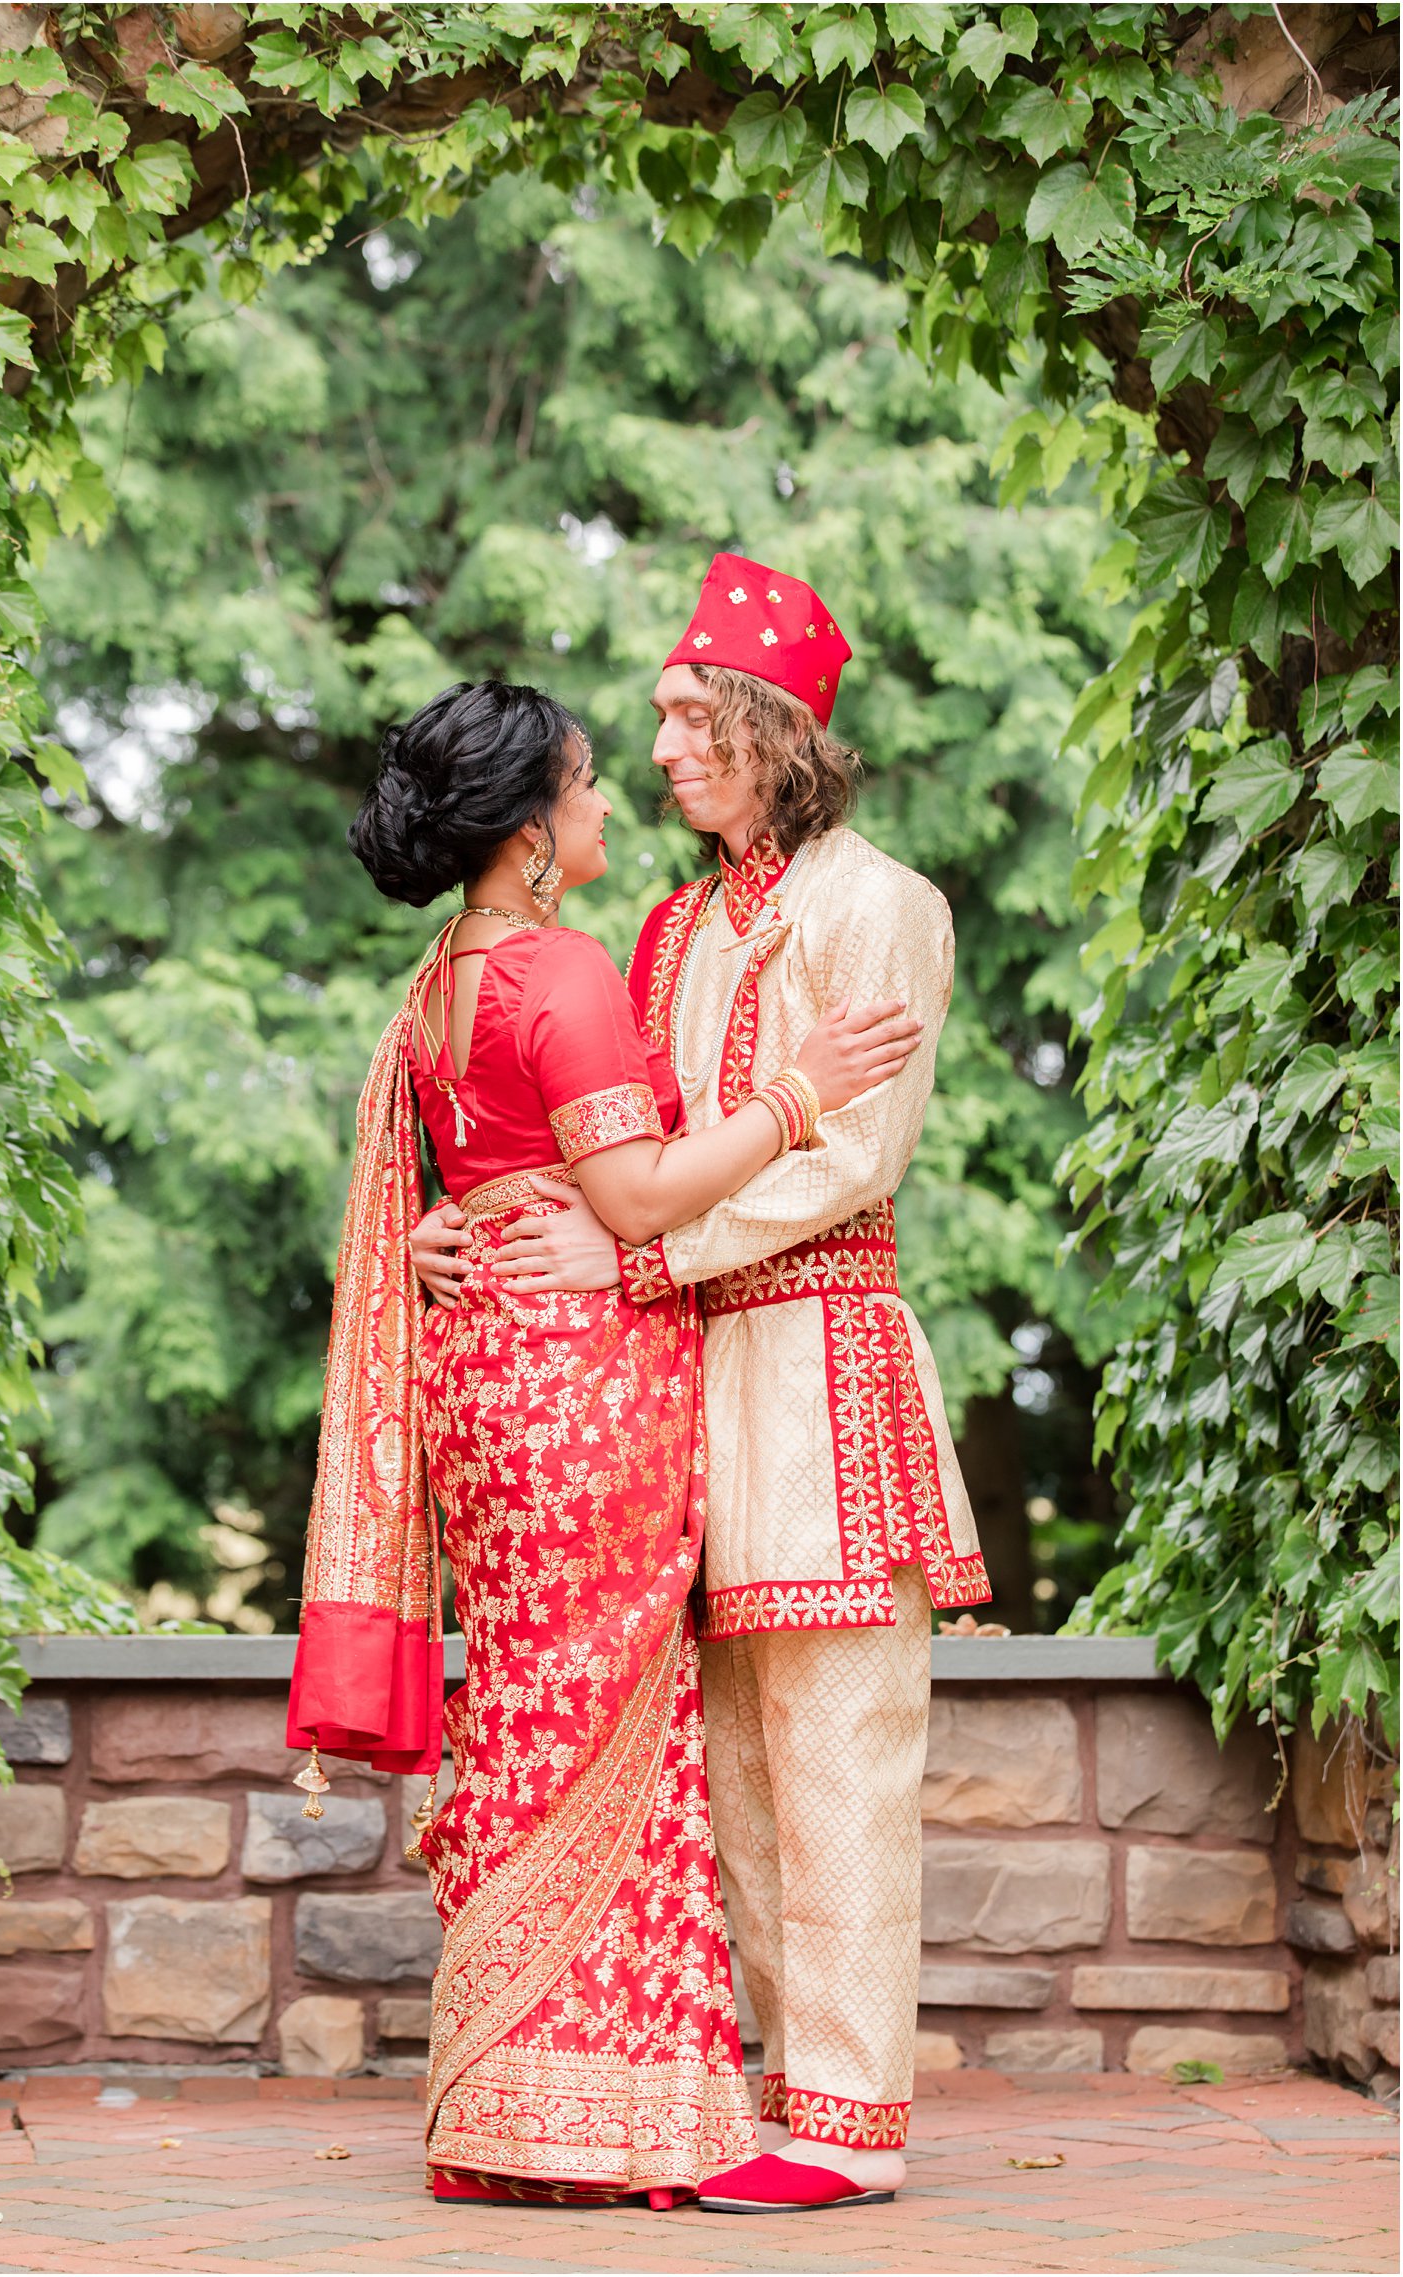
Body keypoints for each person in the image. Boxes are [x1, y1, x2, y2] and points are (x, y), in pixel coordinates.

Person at [412, 558, 992, 2214]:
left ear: (768, 723)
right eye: (655, 722)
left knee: (838, 1743)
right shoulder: (668, 925)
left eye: (687, 717)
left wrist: (642, 1259)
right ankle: (755, 2100)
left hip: (817, 1360)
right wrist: (465, 1222)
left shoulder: (884, 904)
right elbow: (608, 1146)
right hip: (673, 1384)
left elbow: (852, 1161)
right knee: (727, 1758)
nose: (663, 747)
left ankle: (850, 2127)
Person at [287, 678, 912, 2208]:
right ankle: (612, 2115)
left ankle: (497, 2102)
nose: (612, 800)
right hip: (584, 1390)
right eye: (582, 785)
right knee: (612, 1730)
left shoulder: (438, 976)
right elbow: (634, 1200)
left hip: (482, 1393)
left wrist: (459, 1228)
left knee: (523, 1718)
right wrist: (798, 1091)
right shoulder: (562, 967)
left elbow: (484, 1172)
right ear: (528, 832)